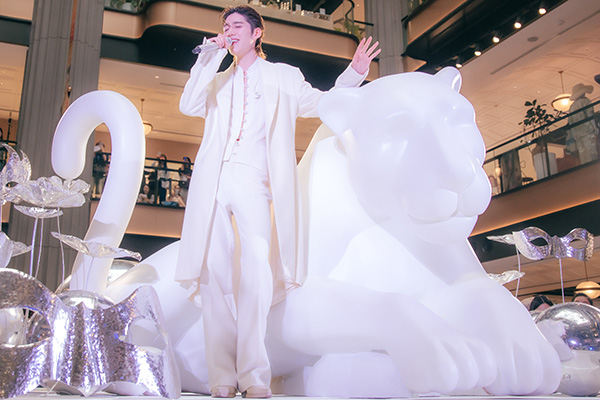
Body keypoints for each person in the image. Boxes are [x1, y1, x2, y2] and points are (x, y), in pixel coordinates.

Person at [175, 5, 379, 399]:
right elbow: (188, 105)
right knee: (213, 272)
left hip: (255, 179)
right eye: (225, 26)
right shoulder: (216, 82)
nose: (229, 31)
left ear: (257, 33)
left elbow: (322, 104)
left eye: (237, 25)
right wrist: (210, 56)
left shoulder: (285, 76)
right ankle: (221, 376)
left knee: (256, 270)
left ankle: (253, 374)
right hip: (213, 179)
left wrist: (353, 73)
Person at [568, 83, 599, 164]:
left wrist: (574, 135)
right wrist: (595, 128)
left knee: (583, 155)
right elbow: (590, 115)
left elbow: (570, 122)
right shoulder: (586, 101)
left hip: (577, 134)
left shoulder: (572, 107)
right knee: (591, 153)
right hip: (588, 131)